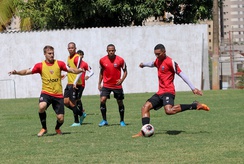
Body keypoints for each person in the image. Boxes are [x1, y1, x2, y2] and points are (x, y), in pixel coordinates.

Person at [132, 44, 210, 138]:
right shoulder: (158, 60)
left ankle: (195, 105)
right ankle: (143, 130)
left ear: (164, 52)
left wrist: (193, 88)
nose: (157, 56)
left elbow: (182, 74)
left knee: (169, 111)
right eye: (155, 54)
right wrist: (143, 64)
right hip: (160, 92)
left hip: (169, 91)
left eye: (159, 54)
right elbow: (152, 63)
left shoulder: (170, 62)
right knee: (145, 107)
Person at [8, 45, 84, 137]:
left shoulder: (59, 64)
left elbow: (71, 70)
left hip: (58, 95)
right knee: (41, 106)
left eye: (53, 53)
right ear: (44, 54)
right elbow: (27, 71)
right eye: (49, 53)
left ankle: (57, 128)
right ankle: (44, 128)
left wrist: (79, 70)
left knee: (61, 119)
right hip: (46, 93)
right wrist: (16, 72)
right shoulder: (40, 65)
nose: (52, 55)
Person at [98, 44, 128, 127]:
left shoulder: (120, 60)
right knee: (102, 100)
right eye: (109, 50)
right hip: (106, 84)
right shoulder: (102, 60)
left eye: (112, 50)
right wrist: (99, 83)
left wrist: (121, 80)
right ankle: (104, 120)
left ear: (115, 50)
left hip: (117, 85)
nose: (111, 52)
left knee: (120, 102)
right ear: (107, 51)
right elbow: (101, 72)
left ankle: (122, 121)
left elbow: (125, 71)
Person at [64, 42, 86, 127]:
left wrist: (75, 82)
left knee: (73, 103)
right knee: (65, 102)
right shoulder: (69, 58)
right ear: (67, 49)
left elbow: (80, 70)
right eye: (69, 48)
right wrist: (65, 74)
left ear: (75, 48)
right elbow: (70, 69)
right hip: (69, 83)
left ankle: (76, 122)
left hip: (75, 84)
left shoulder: (77, 58)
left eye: (72, 48)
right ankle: (81, 113)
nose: (71, 49)